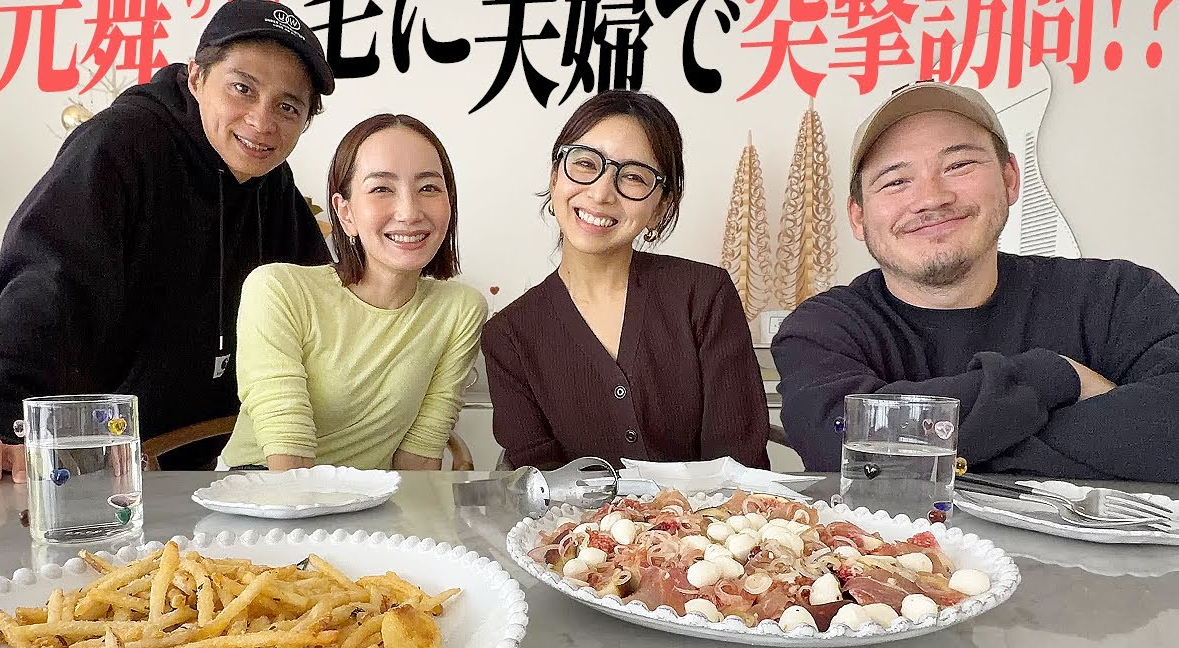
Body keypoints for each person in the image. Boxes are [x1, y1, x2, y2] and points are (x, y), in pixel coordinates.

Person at [0, 0, 336, 484]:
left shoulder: (272, 186)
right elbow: (48, 281)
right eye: (242, 88)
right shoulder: (117, 145)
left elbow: (319, 302)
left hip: (190, 470)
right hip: (81, 469)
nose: (262, 121)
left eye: (287, 107)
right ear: (196, 77)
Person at [771, 80, 1179, 481]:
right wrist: (1053, 376)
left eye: (958, 166)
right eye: (895, 181)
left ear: (1009, 178)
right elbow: (843, 449)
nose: (931, 198)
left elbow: (1171, 432)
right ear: (858, 216)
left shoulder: (1118, 296)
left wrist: (951, 453)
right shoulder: (822, 329)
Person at [482, 90, 772, 470]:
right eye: (585, 163)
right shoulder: (509, 335)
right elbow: (541, 482)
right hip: (573, 514)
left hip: (711, 511)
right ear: (554, 179)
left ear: (661, 206)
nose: (601, 193)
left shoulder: (704, 296)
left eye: (633, 176)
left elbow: (738, 464)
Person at [219, 114, 488, 471]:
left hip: (372, 499)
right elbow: (288, 455)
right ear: (345, 212)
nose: (409, 212)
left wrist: (410, 510)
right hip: (266, 489)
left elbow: (420, 455)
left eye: (428, 188)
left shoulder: (461, 309)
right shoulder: (277, 290)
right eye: (381, 189)